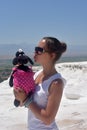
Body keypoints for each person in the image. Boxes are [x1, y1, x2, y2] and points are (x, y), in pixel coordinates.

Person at [14, 37, 67, 130]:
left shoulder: (56, 83)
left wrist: (26, 100)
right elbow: (25, 103)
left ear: (52, 55)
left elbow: (48, 119)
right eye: (35, 49)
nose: (35, 53)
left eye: (39, 50)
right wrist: (19, 95)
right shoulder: (36, 75)